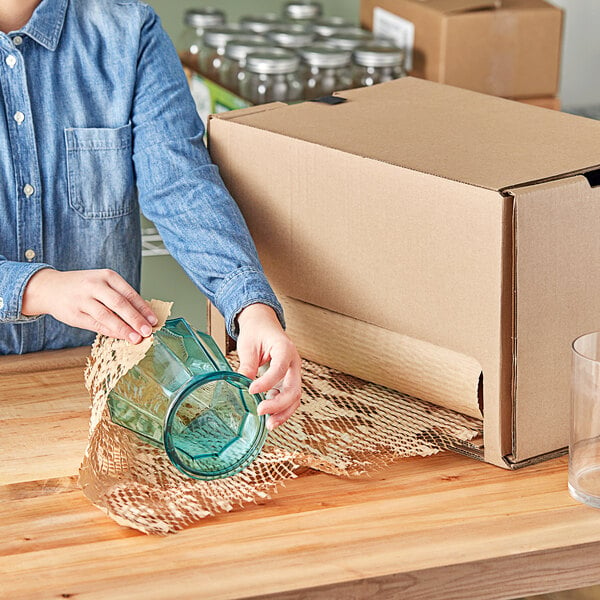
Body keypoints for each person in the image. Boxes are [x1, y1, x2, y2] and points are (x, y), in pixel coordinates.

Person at [0, 0, 302, 429]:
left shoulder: (128, 31)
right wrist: (36, 288)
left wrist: (252, 308)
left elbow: (181, 185)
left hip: (101, 387)